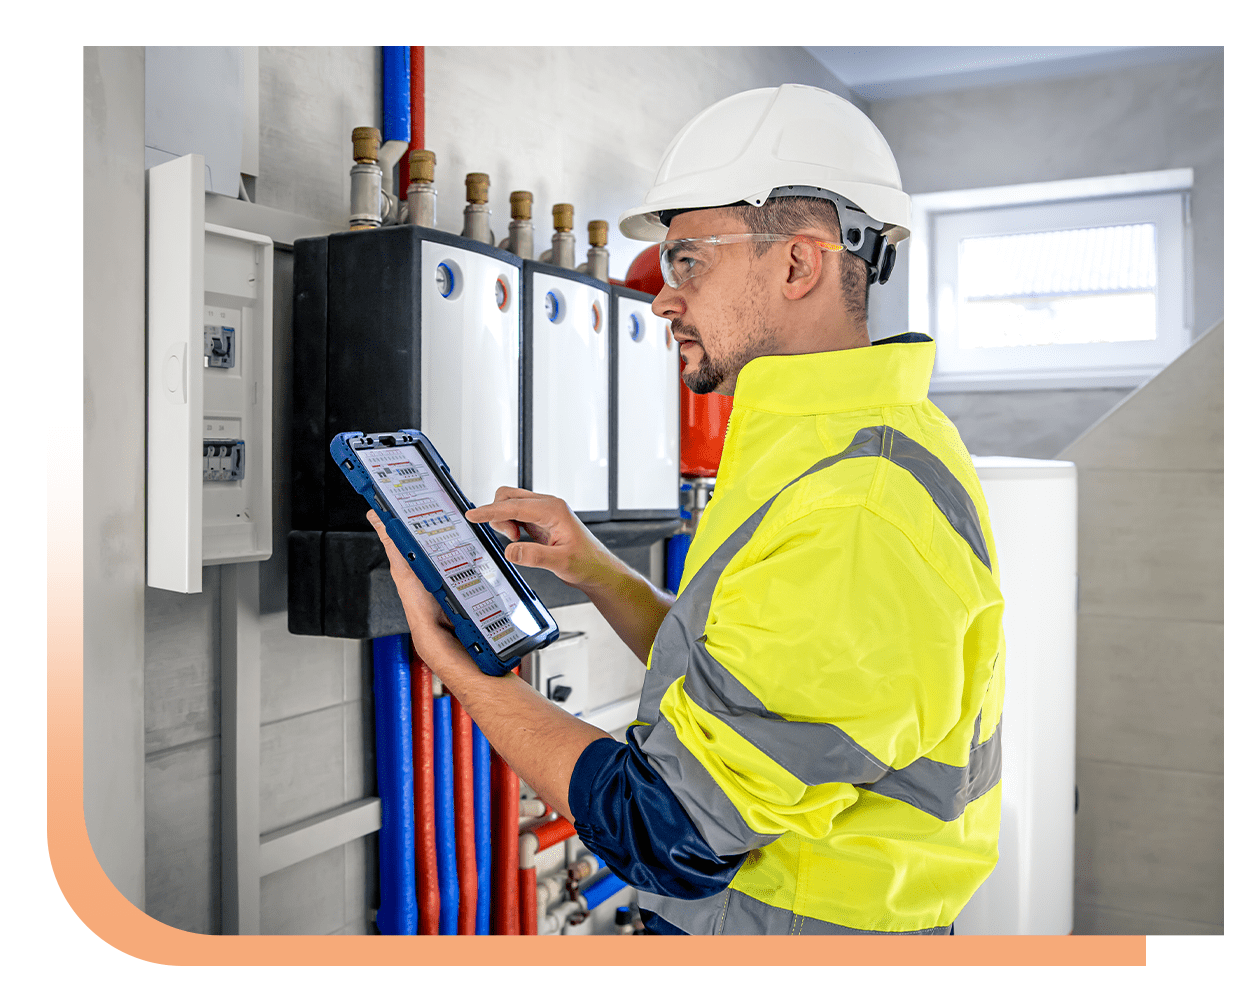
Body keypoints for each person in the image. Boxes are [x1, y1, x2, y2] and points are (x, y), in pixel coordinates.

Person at [369, 83, 1005, 935]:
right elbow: (750, 687)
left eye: (689, 261)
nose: (663, 298)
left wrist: (462, 671)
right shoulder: (834, 442)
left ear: (798, 264)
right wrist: (598, 571)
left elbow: (667, 828)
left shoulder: (859, 504)